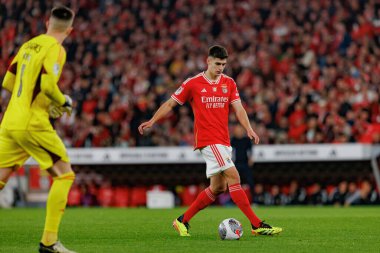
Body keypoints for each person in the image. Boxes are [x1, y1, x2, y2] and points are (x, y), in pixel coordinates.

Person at [139, 45, 282, 236]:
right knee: (235, 177)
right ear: (208, 61)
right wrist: (152, 121)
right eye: (217, 63)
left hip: (223, 141)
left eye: (223, 64)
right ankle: (256, 225)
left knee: (218, 188)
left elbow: (239, 109)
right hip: (208, 140)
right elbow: (171, 103)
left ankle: (182, 221)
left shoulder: (229, 83)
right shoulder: (193, 83)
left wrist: (249, 128)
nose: (220, 67)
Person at [0, 6, 76, 253]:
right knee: (64, 175)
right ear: (70, 30)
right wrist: (62, 101)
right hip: (32, 123)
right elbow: (47, 84)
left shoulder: (28, 45)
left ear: (47, 23)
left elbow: (8, 82)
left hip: (10, 121)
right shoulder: (56, 49)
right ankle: (49, 242)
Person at [231, 124, 255, 199]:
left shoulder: (246, 140)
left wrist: (251, 159)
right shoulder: (233, 140)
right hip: (236, 164)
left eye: (240, 130)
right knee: (234, 183)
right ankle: (234, 199)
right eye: (237, 130)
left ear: (243, 131)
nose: (239, 132)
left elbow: (250, 151)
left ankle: (253, 199)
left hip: (245, 164)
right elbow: (230, 152)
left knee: (250, 181)